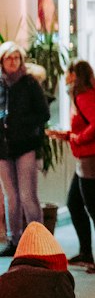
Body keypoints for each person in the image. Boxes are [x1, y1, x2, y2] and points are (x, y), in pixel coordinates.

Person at [51, 61, 95, 276]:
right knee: (74, 203)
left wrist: (79, 138)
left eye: (68, 73)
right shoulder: (85, 94)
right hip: (87, 159)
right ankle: (86, 252)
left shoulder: (85, 95)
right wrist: (69, 136)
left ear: (74, 75)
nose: (65, 78)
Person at [0, 41, 49, 255]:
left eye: (16, 58)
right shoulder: (0, 85)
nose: (13, 62)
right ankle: (15, 240)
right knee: (11, 195)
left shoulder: (29, 83)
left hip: (25, 145)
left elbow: (44, 113)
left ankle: (38, 241)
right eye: (8, 58)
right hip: (3, 147)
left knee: (28, 195)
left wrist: (23, 124)